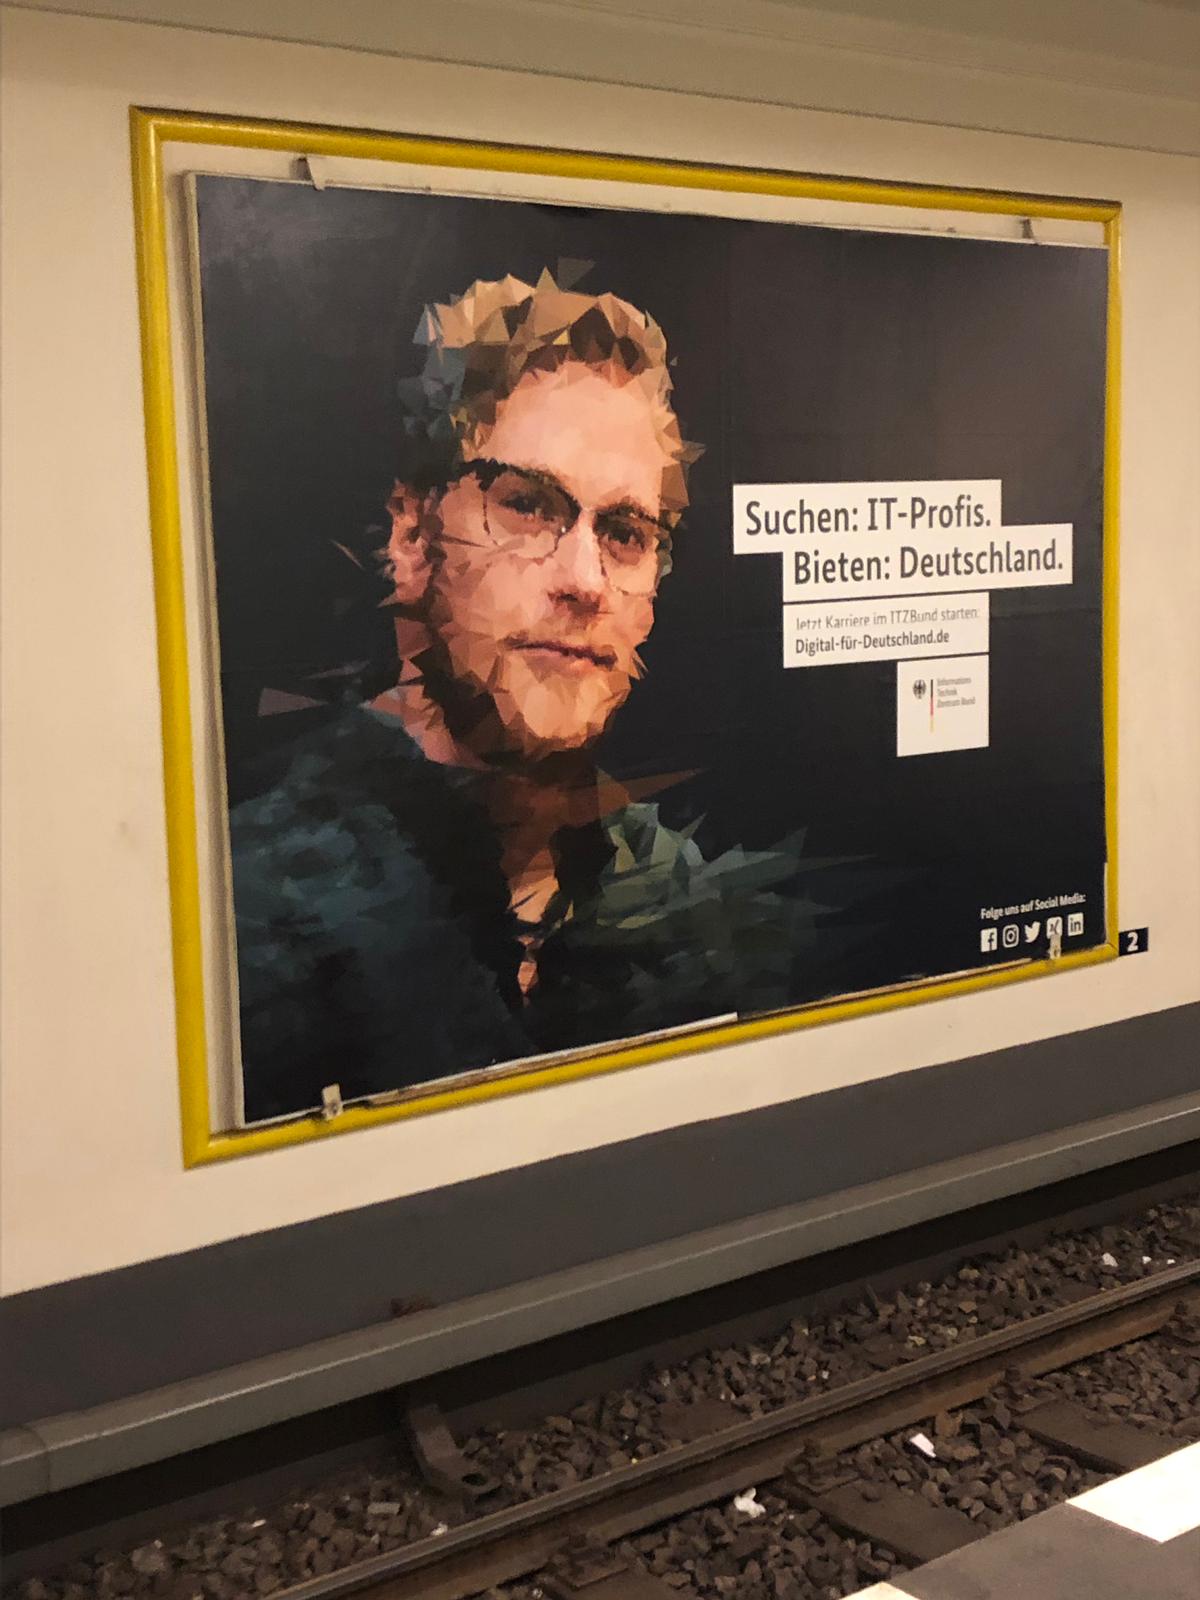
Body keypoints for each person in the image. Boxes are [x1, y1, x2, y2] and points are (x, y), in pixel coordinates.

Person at [230, 271, 832, 1122]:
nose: (585, 580)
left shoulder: (696, 910)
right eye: (526, 506)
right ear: (413, 537)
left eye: (625, 533)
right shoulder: (252, 912)